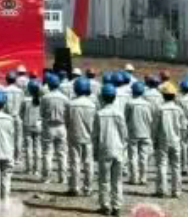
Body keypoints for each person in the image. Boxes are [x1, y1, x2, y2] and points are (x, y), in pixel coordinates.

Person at [93, 82, 127, 217]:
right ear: (114, 97)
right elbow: (124, 134)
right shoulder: (119, 113)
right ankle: (117, 207)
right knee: (117, 180)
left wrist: (95, 152)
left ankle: (105, 206)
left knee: (104, 180)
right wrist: (122, 147)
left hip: (104, 149)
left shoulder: (99, 114)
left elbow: (95, 135)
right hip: (118, 149)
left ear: (102, 97)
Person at [153, 82, 185, 199]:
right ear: (174, 96)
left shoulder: (160, 109)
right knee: (176, 166)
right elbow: (183, 127)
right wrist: (181, 140)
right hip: (176, 140)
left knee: (162, 165)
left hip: (163, 140)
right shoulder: (179, 110)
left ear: (163, 96)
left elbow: (155, 127)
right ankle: (176, 191)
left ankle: (161, 190)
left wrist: (154, 140)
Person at [66, 77, 96, 197]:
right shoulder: (92, 105)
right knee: (88, 163)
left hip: (74, 136)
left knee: (75, 162)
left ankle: (74, 187)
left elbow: (67, 121)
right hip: (88, 138)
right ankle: (88, 188)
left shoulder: (70, 104)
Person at [40, 72, 68, 185]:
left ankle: (46, 177)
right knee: (62, 154)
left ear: (49, 85)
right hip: (61, 127)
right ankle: (63, 178)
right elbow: (67, 113)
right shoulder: (65, 98)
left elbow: (42, 113)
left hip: (49, 127)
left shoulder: (45, 98)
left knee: (47, 153)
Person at [124, 82, 153, 186]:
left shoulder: (130, 103)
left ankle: (133, 178)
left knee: (133, 156)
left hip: (133, 133)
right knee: (144, 156)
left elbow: (126, 118)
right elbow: (150, 119)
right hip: (145, 133)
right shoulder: (148, 104)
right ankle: (143, 178)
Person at [20, 80, 44, 176]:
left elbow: (20, 113)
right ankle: (37, 169)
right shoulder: (42, 100)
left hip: (27, 125)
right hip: (39, 126)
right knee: (37, 147)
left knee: (28, 148)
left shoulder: (25, 100)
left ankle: (29, 169)